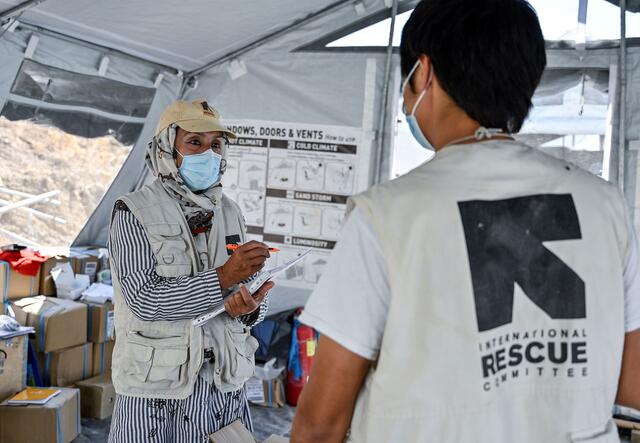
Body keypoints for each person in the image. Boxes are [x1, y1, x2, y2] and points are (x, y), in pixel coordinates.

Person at [291, 1, 640, 442]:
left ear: (424, 71)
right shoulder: (606, 205)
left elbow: (321, 423)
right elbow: (632, 384)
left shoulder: (387, 215)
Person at [107, 98, 274, 442]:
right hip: (156, 392)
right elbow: (144, 300)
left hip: (223, 388)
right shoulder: (132, 212)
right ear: (167, 148)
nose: (208, 154)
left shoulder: (231, 212)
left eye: (216, 145)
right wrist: (224, 277)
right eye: (195, 142)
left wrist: (250, 308)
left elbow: (246, 291)